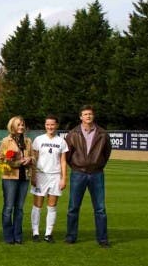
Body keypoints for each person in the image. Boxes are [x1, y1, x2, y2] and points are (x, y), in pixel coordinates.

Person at [64, 105, 112, 247]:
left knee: (100, 209)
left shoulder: (102, 133)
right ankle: (71, 237)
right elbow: (67, 155)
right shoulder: (73, 133)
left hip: (96, 174)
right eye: (85, 114)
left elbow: (106, 153)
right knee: (73, 207)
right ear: (81, 117)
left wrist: (98, 165)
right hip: (78, 173)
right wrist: (76, 166)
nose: (88, 116)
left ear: (93, 116)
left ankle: (102, 239)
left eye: (90, 114)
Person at [30, 115, 68, 242]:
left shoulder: (61, 141)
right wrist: (33, 175)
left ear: (56, 125)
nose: (50, 127)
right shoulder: (38, 140)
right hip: (41, 175)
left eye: (52, 124)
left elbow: (63, 161)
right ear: (45, 125)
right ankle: (35, 232)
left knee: (52, 206)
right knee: (37, 205)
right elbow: (34, 159)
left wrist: (64, 178)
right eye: (47, 124)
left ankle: (48, 234)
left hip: (55, 176)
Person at [0, 116, 33, 245]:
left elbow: (34, 157)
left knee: (19, 209)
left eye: (22, 124)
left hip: (24, 178)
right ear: (12, 126)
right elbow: (2, 159)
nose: (21, 127)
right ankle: (8, 236)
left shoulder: (28, 141)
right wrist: (15, 161)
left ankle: (18, 236)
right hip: (10, 177)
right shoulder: (6, 141)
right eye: (18, 125)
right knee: (8, 208)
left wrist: (30, 159)